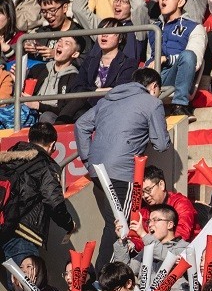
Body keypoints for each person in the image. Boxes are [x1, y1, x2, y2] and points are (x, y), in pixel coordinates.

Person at [74, 68, 169, 261]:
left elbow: (81, 125)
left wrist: (88, 159)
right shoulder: (152, 103)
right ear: (154, 86)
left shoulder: (107, 100)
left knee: (112, 223)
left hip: (97, 170)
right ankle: (106, 272)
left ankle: (104, 270)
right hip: (122, 172)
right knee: (120, 226)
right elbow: (161, 144)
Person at [0, 122, 75, 266]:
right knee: (26, 279)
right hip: (23, 233)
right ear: (53, 145)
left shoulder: (7, 159)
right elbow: (54, 202)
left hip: (2, 226)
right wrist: (69, 224)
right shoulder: (46, 165)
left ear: (28, 140)